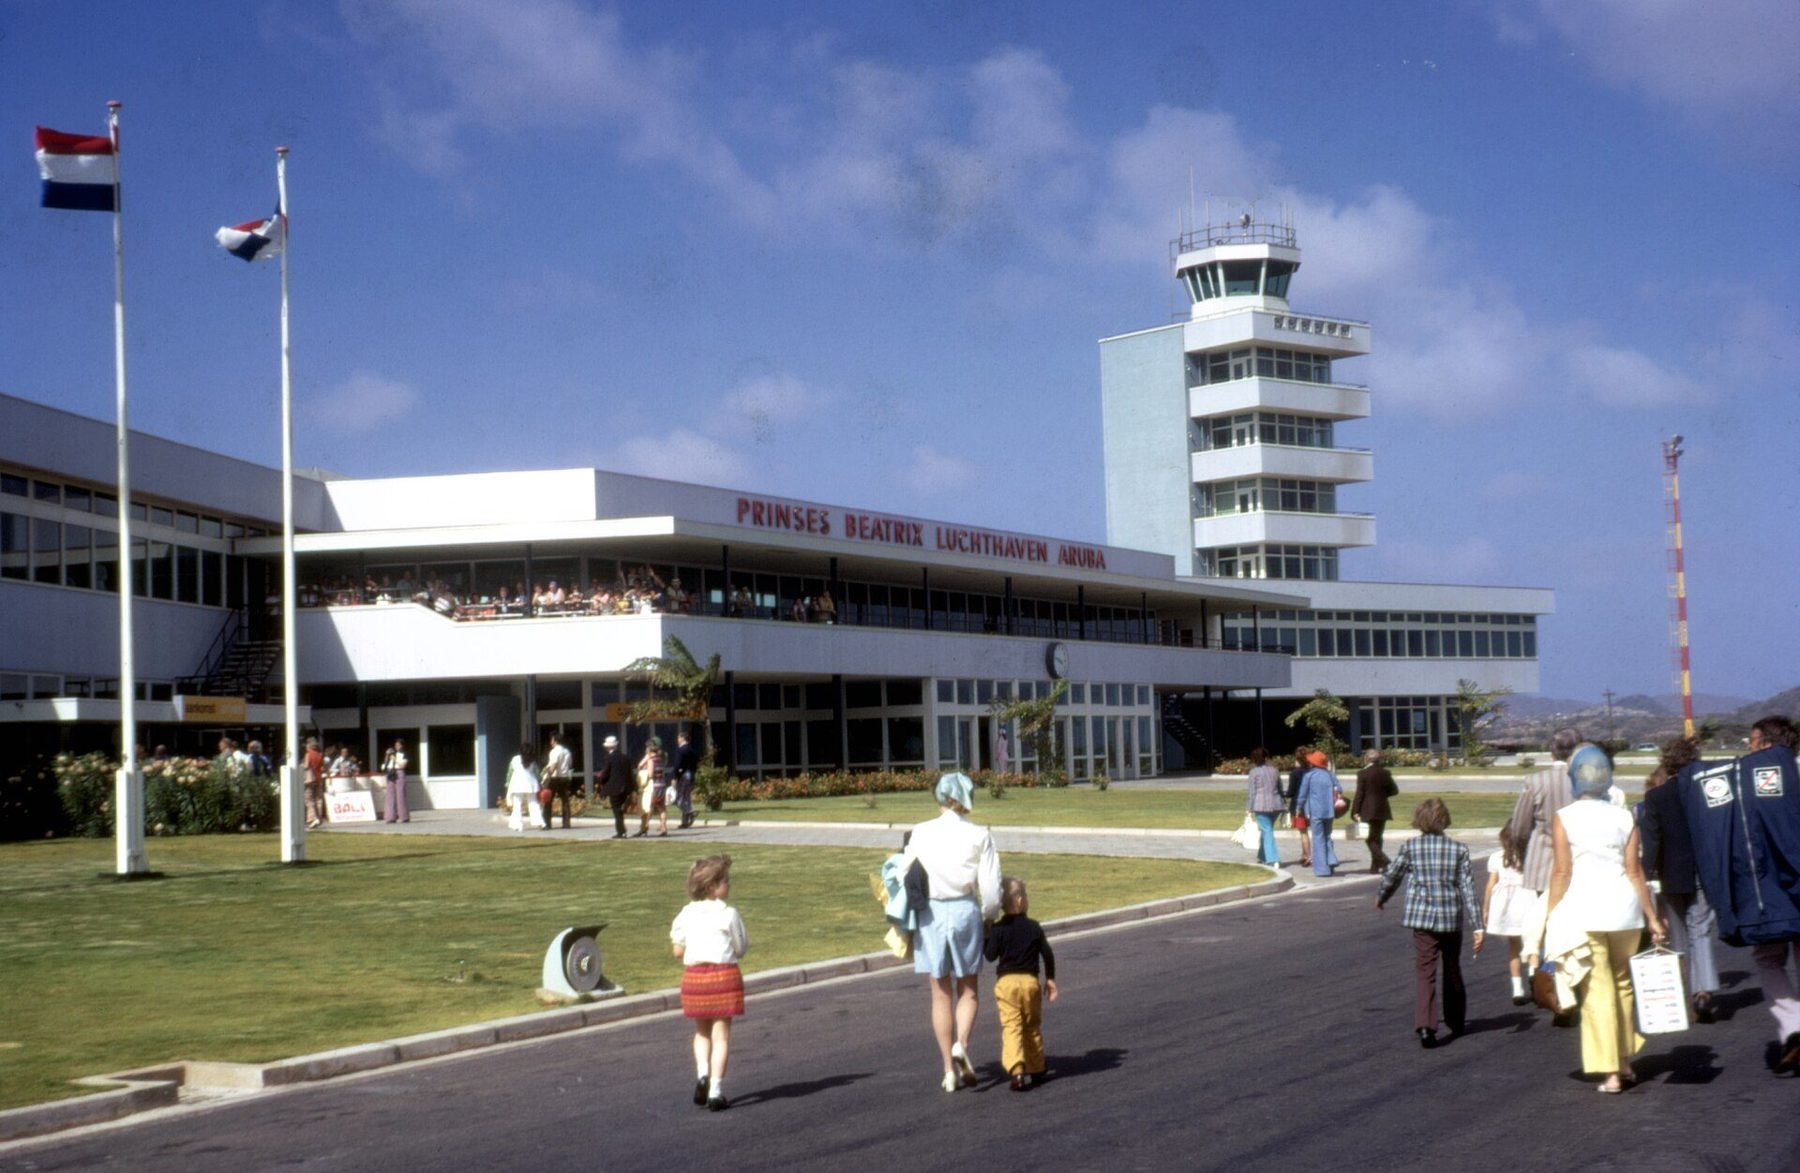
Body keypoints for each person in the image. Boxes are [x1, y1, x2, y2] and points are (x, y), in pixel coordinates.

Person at [1678, 715, 1800, 1074]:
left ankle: (1793, 1026)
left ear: (1767, 744)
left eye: (1752, 741)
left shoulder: (1745, 782)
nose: (1748, 747)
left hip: (1767, 896)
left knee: (1768, 960)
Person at [1543, 744, 1666, 1093]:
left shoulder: (1565, 817)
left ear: (1574, 778)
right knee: (1623, 984)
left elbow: (1562, 872)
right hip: (1625, 912)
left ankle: (1610, 1070)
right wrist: (1653, 918)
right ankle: (1625, 1061)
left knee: (1597, 991)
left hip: (1585, 912)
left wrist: (1551, 914)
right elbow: (1635, 872)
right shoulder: (1624, 816)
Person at [900, 771, 1002, 1092]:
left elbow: (906, 873)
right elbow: (991, 888)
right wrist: (989, 916)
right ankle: (962, 1044)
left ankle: (947, 1069)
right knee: (968, 988)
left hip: (930, 913)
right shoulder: (979, 835)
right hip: (964, 910)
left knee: (939, 992)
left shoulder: (920, 832)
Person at [1376, 798, 1484, 1048]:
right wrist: (1477, 924)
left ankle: (1426, 1025)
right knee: (1452, 967)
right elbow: (1468, 889)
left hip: (1422, 917)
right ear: (1444, 819)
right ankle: (1456, 1020)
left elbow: (1393, 875)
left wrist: (1382, 896)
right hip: (1450, 917)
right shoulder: (1459, 849)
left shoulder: (1411, 847)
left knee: (1425, 971)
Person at [1638, 738, 1719, 1024]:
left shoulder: (1656, 798)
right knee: (1701, 929)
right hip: (1702, 871)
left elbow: (1652, 842)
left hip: (1671, 875)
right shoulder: (1704, 793)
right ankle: (1704, 990)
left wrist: (1643, 877)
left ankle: (1682, 994)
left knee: (1679, 935)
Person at [671, 854, 749, 1112]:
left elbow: (677, 951)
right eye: (726, 880)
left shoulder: (686, 913)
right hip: (724, 977)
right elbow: (740, 948)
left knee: (701, 1032)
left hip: (695, 978)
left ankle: (702, 1074)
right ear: (714, 885)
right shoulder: (728, 914)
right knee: (721, 1036)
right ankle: (716, 1090)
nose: (730, 885)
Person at [983, 876, 1059, 1091]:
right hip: (1030, 982)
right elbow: (1047, 953)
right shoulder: (1034, 927)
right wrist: (1050, 979)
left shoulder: (998, 929)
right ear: (1019, 901)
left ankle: (1017, 1071)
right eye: (1026, 896)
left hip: (1006, 983)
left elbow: (989, 956)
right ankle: (1036, 1067)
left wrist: (986, 934)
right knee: (1032, 1025)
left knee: (1012, 1026)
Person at [1505, 727, 1582, 901]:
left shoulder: (1535, 781)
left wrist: (1523, 852)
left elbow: (1519, 829)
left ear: (1552, 750)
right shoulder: (1587, 781)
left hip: (1544, 862)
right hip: (1580, 861)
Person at [1482, 825, 1531, 1005]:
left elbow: (1490, 885)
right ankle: (1533, 973)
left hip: (1507, 906)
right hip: (1526, 900)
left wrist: (1486, 908)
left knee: (1514, 948)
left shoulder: (1496, 857)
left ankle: (1517, 988)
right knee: (1532, 942)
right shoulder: (1527, 857)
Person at [1294, 750, 1343, 877]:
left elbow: (1302, 794)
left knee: (1318, 839)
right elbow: (1340, 789)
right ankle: (1331, 860)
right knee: (1327, 837)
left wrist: (1298, 808)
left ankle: (1322, 869)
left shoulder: (1309, 776)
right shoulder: (1330, 775)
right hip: (1330, 811)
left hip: (1316, 811)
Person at [1354, 747, 1399, 873]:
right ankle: (1376, 867)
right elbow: (1394, 790)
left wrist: (1355, 811)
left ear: (1367, 759)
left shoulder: (1362, 773)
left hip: (1367, 809)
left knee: (1369, 839)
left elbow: (1360, 794)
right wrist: (1383, 795)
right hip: (1382, 808)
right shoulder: (1385, 772)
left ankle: (1386, 862)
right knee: (1378, 837)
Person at [1245, 747, 1285, 867]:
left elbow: (1252, 792)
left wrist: (1249, 808)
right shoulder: (1275, 771)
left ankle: (1273, 859)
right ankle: (1262, 855)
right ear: (1266, 757)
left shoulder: (1253, 772)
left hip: (1260, 806)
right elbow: (1280, 788)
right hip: (1276, 805)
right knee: (1266, 830)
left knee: (1267, 831)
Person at [594, 735, 633, 839]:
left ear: (608, 747)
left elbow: (606, 773)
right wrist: (632, 788)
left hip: (614, 788)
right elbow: (630, 774)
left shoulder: (609, 758)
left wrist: (600, 780)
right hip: (625, 788)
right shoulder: (626, 757)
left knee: (616, 810)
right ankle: (622, 830)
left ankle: (621, 831)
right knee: (620, 810)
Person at [504, 742, 543, 832]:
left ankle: (517, 825)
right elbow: (537, 774)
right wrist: (540, 781)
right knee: (534, 804)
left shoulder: (515, 759)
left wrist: (507, 782)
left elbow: (510, 772)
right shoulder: (532, 761)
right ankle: (539, 823)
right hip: (531, 784)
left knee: (517, 806)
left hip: (517, 784)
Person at [637, 737, 670, 838]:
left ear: (649, 749)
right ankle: (663, 827)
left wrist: (646, 761)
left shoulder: (651, 760)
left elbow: (650, 774)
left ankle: (644, 826)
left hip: (653, 786)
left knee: (649, 807)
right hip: (662, 784)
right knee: (661, 807)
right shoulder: (660, 758)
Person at [541, 732, 574, 830]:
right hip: (565, 777)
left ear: (555, 740)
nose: (551, 742)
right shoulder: (567, 751)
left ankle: (547, 823)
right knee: (565, 800)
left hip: (555, 778)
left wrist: (547, 776)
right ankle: (566, 823)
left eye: (552, 740)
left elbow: (554, 765)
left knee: (548, 801)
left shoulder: (554, 751)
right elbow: (570, 765)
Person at [1287, 749, 1313, 869]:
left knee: (1303, 832)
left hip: (1299, 806)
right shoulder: (1312, 771)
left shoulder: (1295, 773)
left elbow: (1291, 792)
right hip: (1312, 805)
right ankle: (1304, 854)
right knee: (1305, 831)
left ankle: (1308, 856)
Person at [672, 730, 699, 830]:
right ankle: (685, 822)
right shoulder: (692, 750)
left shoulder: (681, 749)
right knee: (686, 799)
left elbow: (677, 764)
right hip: (690, 775)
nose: (677, 739)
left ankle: (690, 812)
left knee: (679, 800)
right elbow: (695, 764)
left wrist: (675, 777)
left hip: (683, 776)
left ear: (683, 738)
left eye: (679, 737)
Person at [381, 738, 410, 824]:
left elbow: (402, 765)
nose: (397, 747)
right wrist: (387, 756)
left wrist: (395, 759)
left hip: (399, 773)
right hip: (391, 773)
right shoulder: (391, 754)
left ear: (402, 746)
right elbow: (384, 766)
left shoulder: (404, 754)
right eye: (396, 745)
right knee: (390, 795)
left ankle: (404, 816)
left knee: (400, 795)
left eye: (399, 745)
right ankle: (390, 817)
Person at [303, 737, 327, 829]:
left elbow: (306, 766)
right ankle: (319, 817)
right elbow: (323, 768)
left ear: (309, 745)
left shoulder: (308, 754)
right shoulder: (320, 755)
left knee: (309, 799)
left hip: (310, 779)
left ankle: (313, 818)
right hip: (319, 779)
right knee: (318, 799)